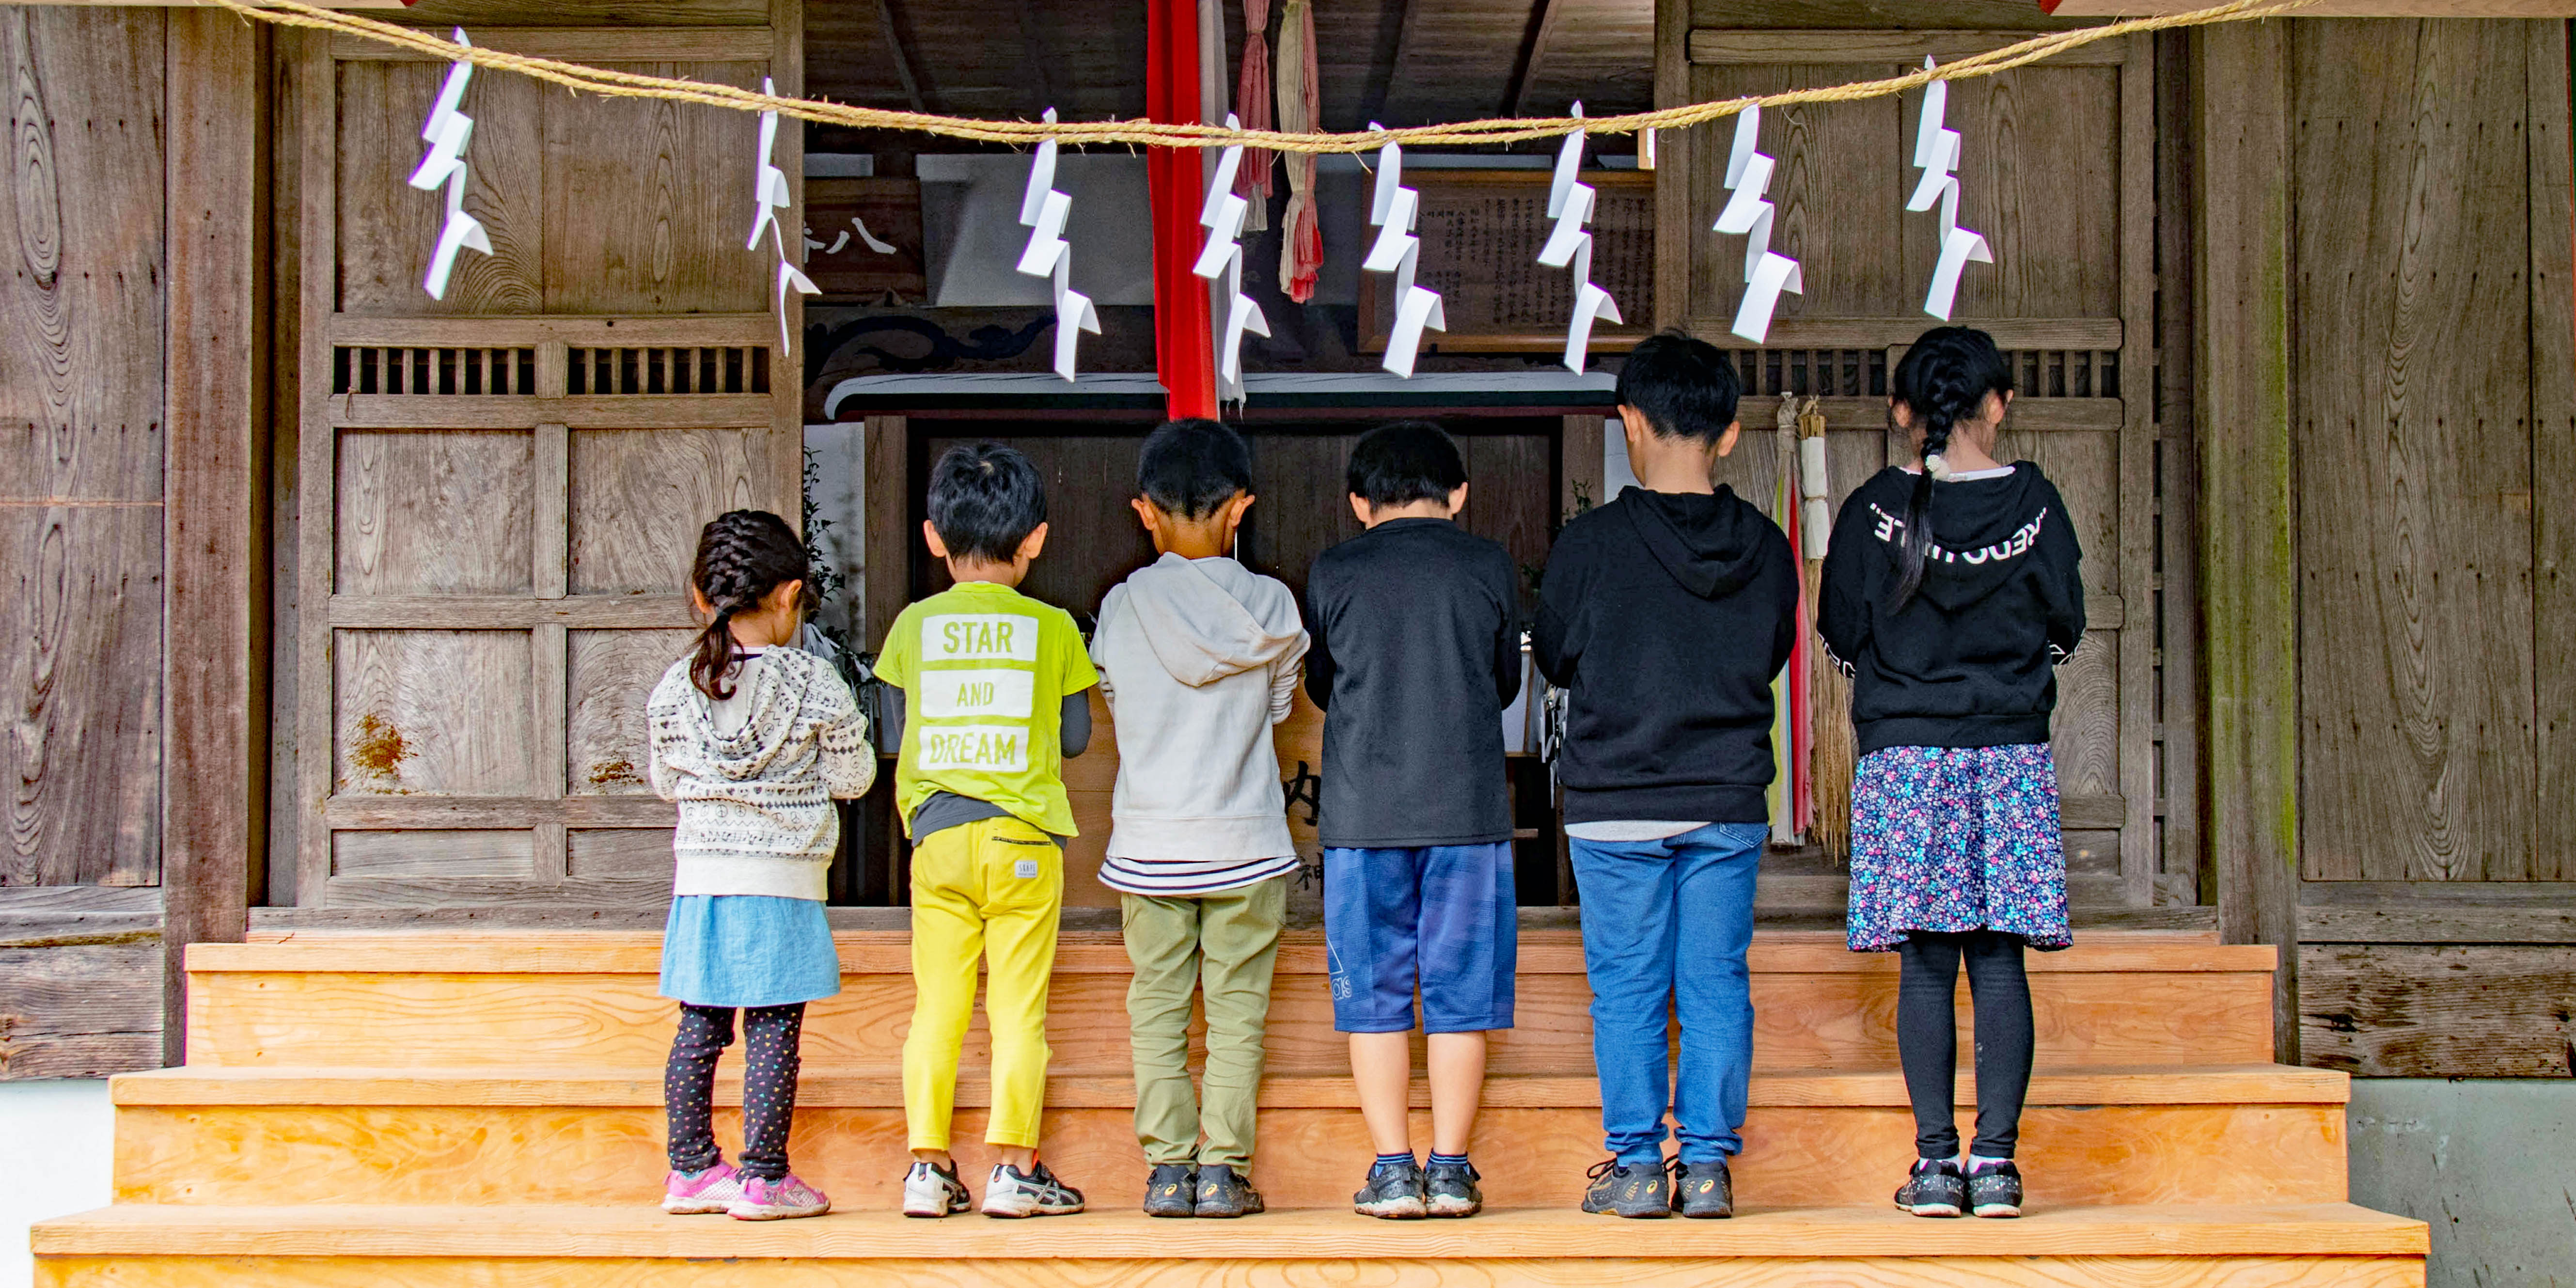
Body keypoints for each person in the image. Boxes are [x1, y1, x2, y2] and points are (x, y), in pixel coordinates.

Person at [1817, 325, 2085, 1221]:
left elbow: (1842, 629)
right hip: (2008, 749)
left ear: (1902, 413)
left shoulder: (1871, 510)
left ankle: (1935, 1165)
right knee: (2000, 959)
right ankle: (1999, 1164)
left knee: (1927, 963)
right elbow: (2068, 623)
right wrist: (2011, 686)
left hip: (1906, 753)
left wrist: (1897, 693)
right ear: (1999, 402)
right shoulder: (2039, 504)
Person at [1533, 332, 1799, 1220]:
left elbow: (1560, 658)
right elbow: (1771, 654)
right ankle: (1713, 1167)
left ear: (1631, 423)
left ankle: (1640, 1165)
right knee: (1716, 978)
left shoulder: (1591, 543)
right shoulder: (1766, 545)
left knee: (1630, 986)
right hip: (1725, 796)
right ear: (1728, 435)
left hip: (1614, 803)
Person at [1092, 419, 1309, 1219]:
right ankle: (1223, 1169)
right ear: (1240, 508)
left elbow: (1114, 703)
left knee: (1156, 1003)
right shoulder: (1275, 605)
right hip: (1247, 845)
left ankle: (1166, 1168)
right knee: (1237, 1009)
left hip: (1149, 846)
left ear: (1144, 512)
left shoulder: (1120, 607)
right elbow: (1283, 704)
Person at [875, 442, 1099, 1219]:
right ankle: (1013, 1168)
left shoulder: (912, 624)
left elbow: (896, 730)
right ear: (1036, 538)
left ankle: (928, 1169)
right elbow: (1073, 739)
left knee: (936, 1004)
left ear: (934, 536)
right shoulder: (1055, 626)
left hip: (937, 837)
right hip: (1024, 838)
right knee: (1017, 1006)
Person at [1305, 421, 1522, 1220]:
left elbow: (1322, 685)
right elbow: (1505, 682)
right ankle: (1454, 1168)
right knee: (1462, 994)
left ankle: (1393, 1169)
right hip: (1467, 811)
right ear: (1459, 494)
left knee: (1375, 995)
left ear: (1359, 501)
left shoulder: (1333, 569)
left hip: (1362, 814)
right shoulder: (1487, 563)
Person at [647, 509, 876, 1221]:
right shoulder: (813, 685)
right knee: (774, 1029)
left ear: (699, 595)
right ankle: (765, 1177)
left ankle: (689, 1168)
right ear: (789, 596)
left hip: (704, 885)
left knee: (700, 1026)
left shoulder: (672, 690)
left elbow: (665, 782)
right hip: (782, 884)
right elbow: (855, 778)